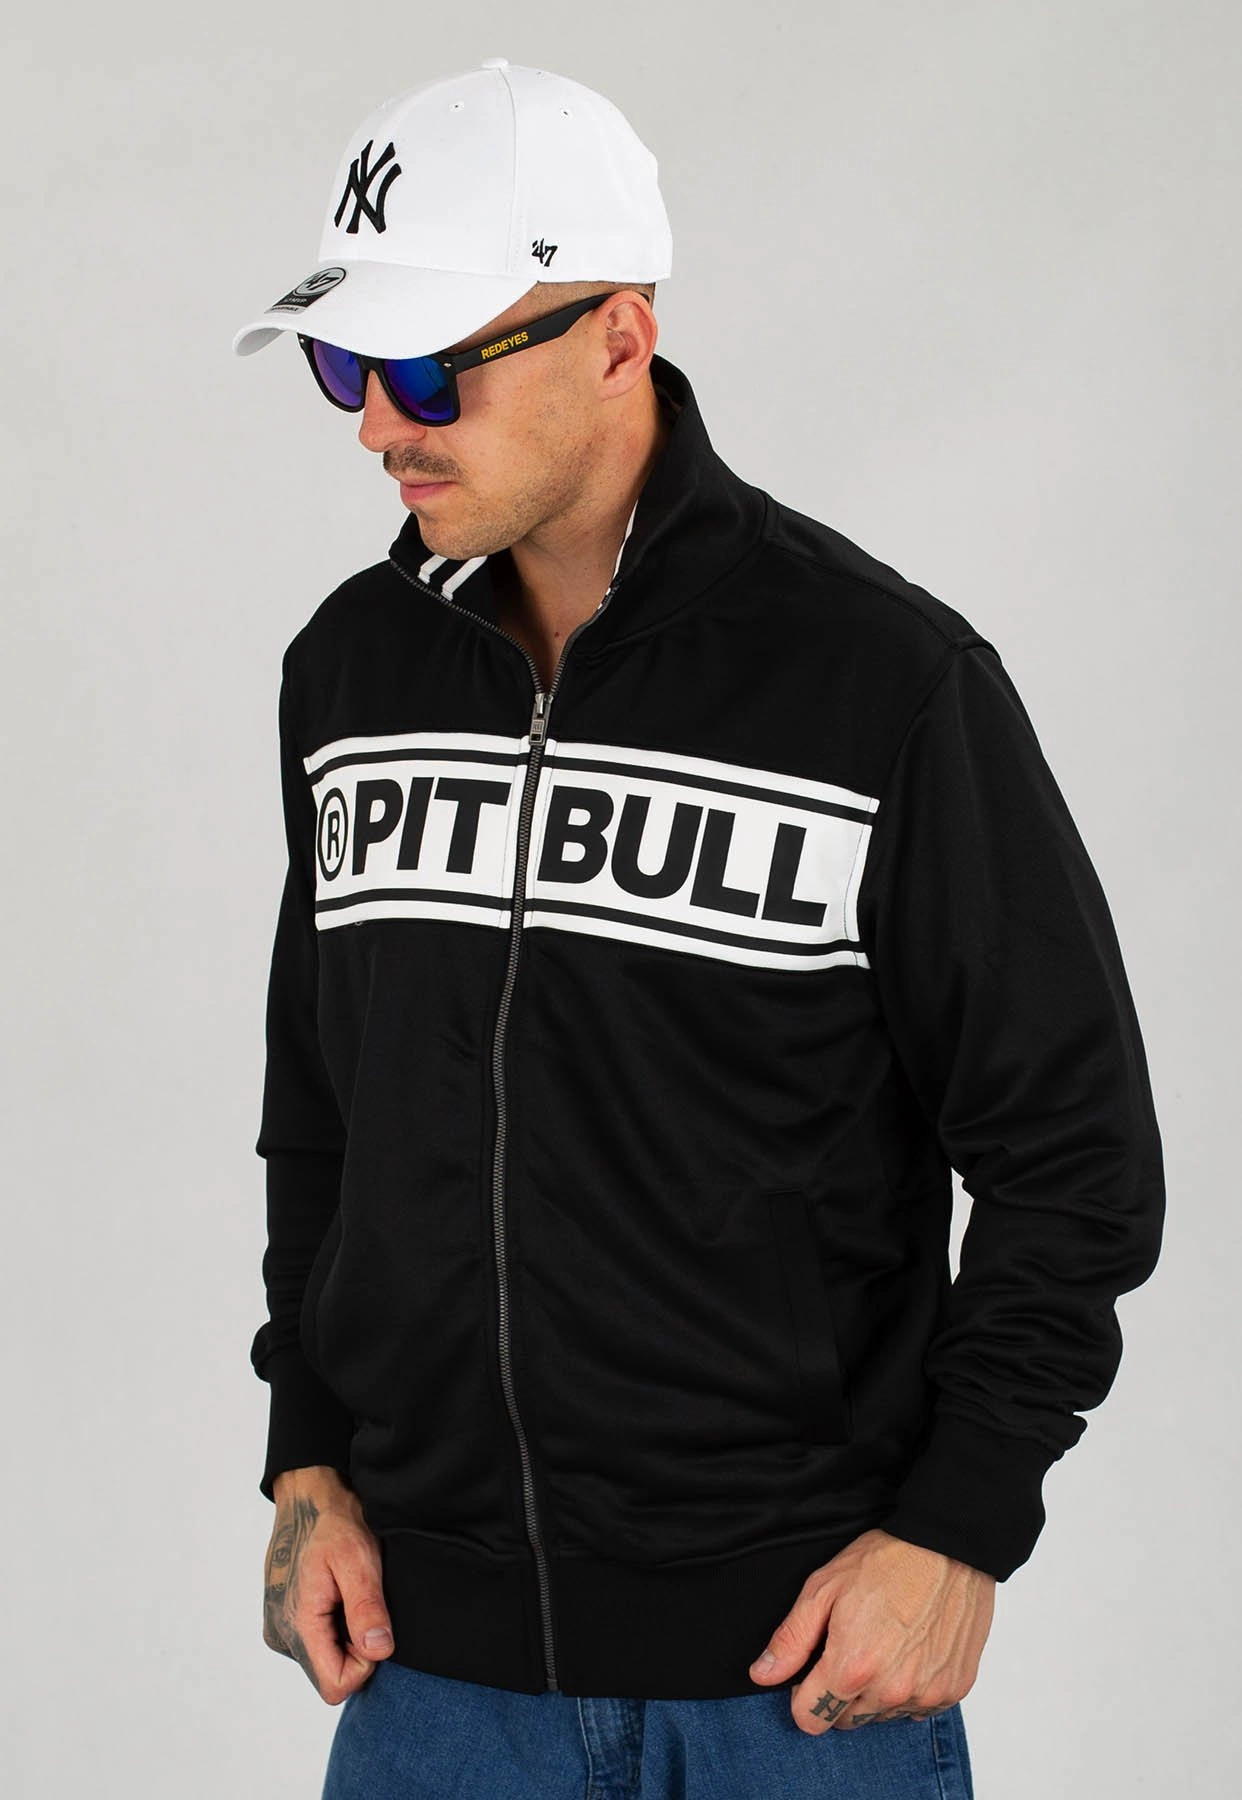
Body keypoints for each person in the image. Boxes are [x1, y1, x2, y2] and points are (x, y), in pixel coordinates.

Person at [232, 57, 1165, 1800]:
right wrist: (308, 1463)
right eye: (345, 365)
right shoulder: (349, 675)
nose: (376, 425)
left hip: (792, 1686)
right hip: (435, 1684)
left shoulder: (879, 684)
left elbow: (1073, 1156)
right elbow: (325, 1116)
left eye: (427, 369)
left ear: (617, 338)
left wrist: (957, 1528)